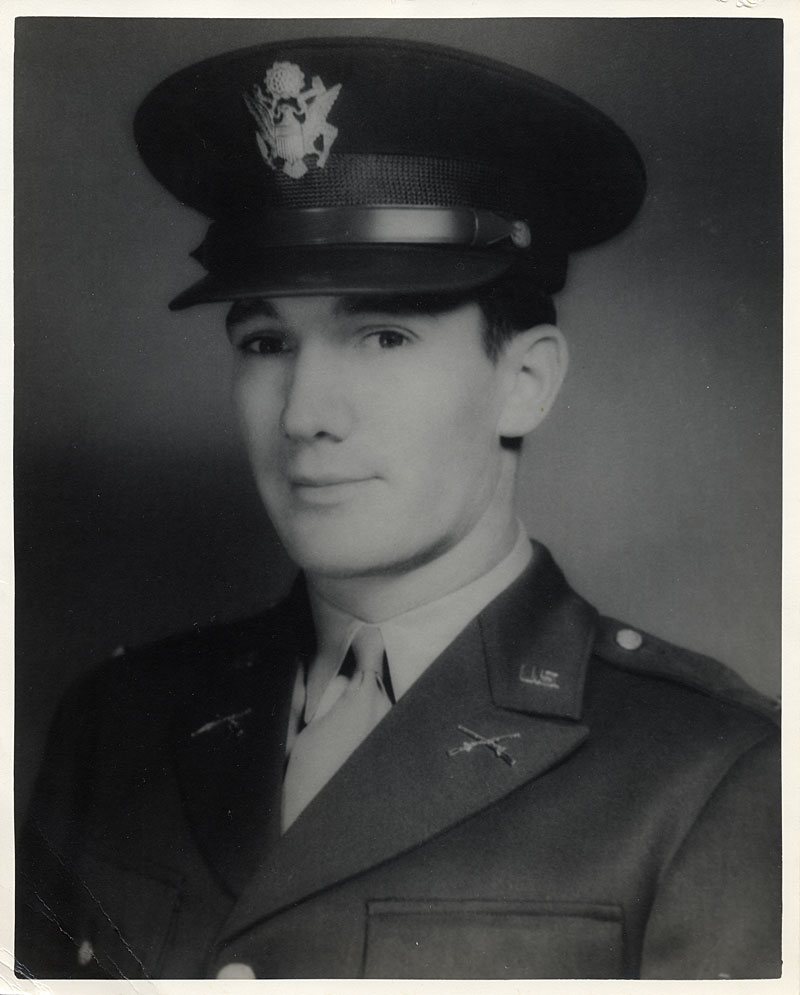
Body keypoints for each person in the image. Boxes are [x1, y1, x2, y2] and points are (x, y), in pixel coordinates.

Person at [15, 35, 780, 981]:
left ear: (525, 382)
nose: (304, 414)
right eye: (265, 343)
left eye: (383, 337)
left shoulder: (711, 776)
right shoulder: (118, 725)